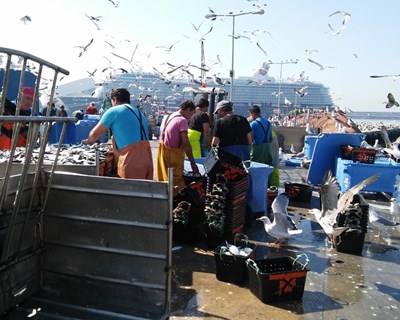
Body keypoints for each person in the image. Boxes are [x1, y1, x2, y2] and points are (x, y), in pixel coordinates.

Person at [82, 88, 153, 180]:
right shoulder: (138, 112)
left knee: (130, 191)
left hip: (131, 160)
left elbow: (94, 134)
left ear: (114, 99)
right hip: (147, 158)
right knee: (144, 191)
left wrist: (87, 142)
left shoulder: (114, 111)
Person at [156, 100, 199, 194]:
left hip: (162, 153)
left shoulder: (168, 117)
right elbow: (186, 143)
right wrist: (193, 163)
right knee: (177, 186)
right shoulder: (182, 120)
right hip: (173, 156)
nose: (191, 117)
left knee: (165, 180)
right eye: (192, 114)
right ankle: (177, 205)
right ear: (188, 109)